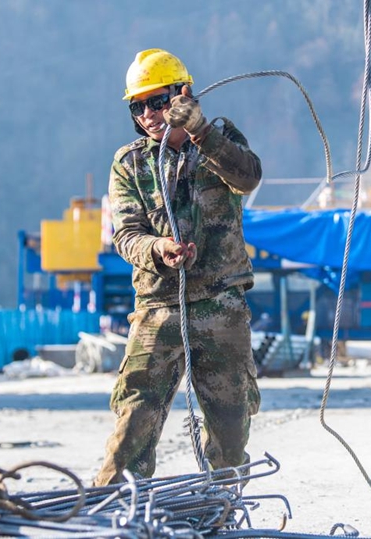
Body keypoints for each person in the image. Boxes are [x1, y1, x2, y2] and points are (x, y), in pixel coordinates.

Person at [94, 49, 262, 486]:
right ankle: (114, 513)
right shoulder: (129, 162)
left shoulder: (219, 140)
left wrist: (201, 131)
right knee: (133, 421)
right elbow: (126, 233)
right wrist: (158, 250)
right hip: (159, 306)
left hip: (221, 304)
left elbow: (247, 177)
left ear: (182, 94)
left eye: (158, 100)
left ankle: (221, 513)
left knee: (230, 425)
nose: (149, 113)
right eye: (139, 105)